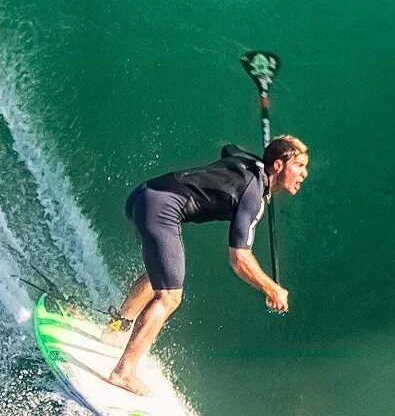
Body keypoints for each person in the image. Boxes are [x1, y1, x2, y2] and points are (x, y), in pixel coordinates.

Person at [105, 135, 310, 395]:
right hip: (161, 208)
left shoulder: (245, 163)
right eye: (299, 165)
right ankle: (123, 372)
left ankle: (115, 328)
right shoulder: (253, 196)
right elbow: (239, 258)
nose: (304, 173)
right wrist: (272, 289)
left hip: (143, 195)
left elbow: (228, 149)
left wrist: (270, 153)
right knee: (169, 296)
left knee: (160, 272)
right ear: (279, 166)